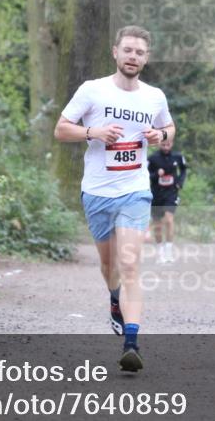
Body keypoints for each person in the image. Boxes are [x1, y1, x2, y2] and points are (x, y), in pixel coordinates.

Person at [54, 25, 175, 372]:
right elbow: (61, 129)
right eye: (128, 50)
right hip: (97, 192)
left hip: (135, 191)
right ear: (115, 52)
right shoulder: (93, 91)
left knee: (131, 265)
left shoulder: (154, 97)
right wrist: (94, 132)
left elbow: (170, 128)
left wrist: (159, 134)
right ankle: (114, 300)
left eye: (139, 52)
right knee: (110, 268)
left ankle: (132, 343)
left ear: (146, 58)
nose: (133, 57)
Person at [148, 140, 187, 264]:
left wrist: (180, 183)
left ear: (172, 144)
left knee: (169, 219)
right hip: (156, 194)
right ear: (159, 144)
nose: (166, 147)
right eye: (163, 145)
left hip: (171, 193)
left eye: (168, 145)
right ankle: (160, 252)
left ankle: (169, 250)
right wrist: (156, 175)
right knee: (157, 224)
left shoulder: (178, 157)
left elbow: (184, 170)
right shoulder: (152, 158)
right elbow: (145, 174)